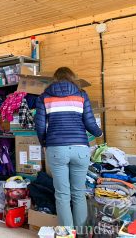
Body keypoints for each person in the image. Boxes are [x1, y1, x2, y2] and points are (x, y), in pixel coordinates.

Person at [35, 67, 102, 232]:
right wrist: (99, 133)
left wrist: (44, 142)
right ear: (72, 77)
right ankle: (81, 233)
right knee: (78, 193)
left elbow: (40, 125)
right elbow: (90, 123)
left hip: (56, 148)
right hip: (80, 149)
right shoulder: (81, 95)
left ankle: (67, 234)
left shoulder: (44, 97)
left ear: (55, 79)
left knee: (62, 195)